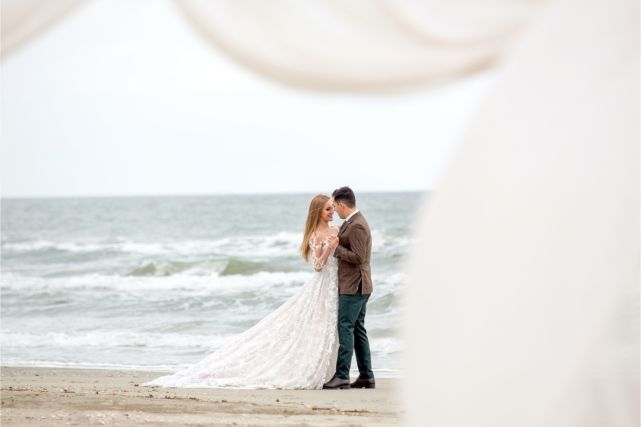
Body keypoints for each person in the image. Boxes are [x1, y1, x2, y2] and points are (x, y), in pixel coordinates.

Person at [142, 194, 340, 389]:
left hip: (336, 283)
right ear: (318, 212)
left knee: (328, 327)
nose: (332, 212)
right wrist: (328, 248)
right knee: (317, 325)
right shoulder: (316, 235)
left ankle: (333, 371)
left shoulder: (336, 229)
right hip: (322, 285)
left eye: (333, 208)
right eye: (328, 209)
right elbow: (317, 266)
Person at [322, 186, 375, 389]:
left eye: (335, 205)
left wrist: (336, 249)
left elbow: (359, 258)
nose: (334, 209)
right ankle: (366, 376)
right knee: (358, 330)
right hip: (357, 285)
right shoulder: (351, 222)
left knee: (345, 327)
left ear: (342, 205)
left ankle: (342, 375)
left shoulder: (357, 225)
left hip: (355, 286)